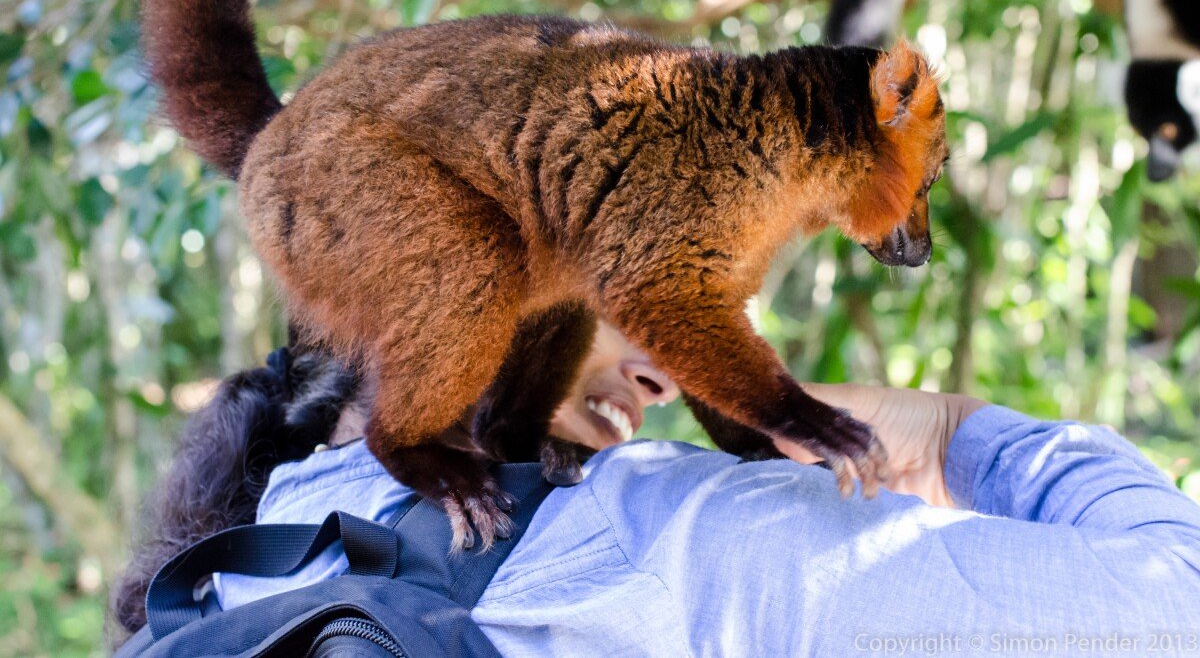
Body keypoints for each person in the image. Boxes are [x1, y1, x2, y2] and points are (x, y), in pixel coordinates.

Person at [205, 322, 1200, 655]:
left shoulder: (233, 581)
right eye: (624, 285)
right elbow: (1178, 603)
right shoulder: (661, 532)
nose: (667, 374)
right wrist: (949, 433)